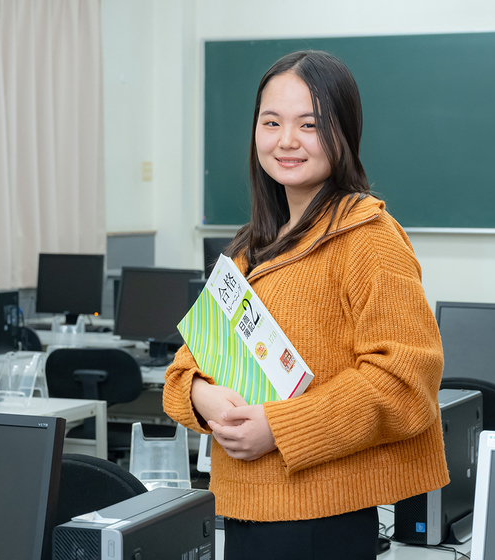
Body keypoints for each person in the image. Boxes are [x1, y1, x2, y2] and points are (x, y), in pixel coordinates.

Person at [163, 50, 448, 560]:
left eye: (309, 124)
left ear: (345, 133)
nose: (286, 141)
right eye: (271, 122)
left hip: (319, 522)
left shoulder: (369, 237)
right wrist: (203, 397)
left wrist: (279, 428)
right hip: (244, 508)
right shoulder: (250, 247)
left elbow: (406, 382)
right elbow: (185, 367)